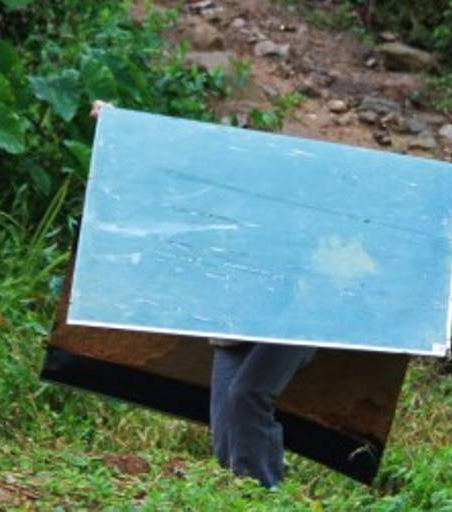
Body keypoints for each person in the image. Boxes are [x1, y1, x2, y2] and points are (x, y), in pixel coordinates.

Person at [90, 100, 315, 486]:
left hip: (290, 322)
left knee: (247, 396)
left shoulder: (288, 206)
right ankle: (241, 496)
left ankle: (266, 497)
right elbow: (171, 174)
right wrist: (121, 127)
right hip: (233, 324)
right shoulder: (216, 203)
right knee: (225, 437)